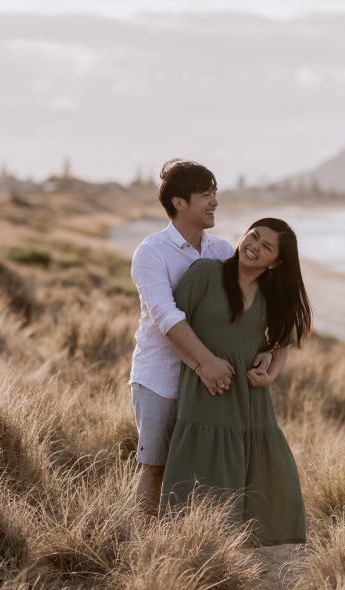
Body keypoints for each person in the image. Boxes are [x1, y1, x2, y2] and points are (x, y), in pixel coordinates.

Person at [129, 159, 271, 521]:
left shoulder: (222, 251)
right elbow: (166, 316)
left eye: (215, 193)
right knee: (156, 468)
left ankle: (192, 540)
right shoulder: (151, 253)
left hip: (212, 385)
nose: (214, 202)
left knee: (202, 471)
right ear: (179, 203)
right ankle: (145, 546)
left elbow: (254, 304)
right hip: (162, 380)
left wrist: (272, 353)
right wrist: (204, 363)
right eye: (206, 195)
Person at [160, 217, 312, 546]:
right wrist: (201, 367)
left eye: (266, 247)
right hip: (206, 391)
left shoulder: (272, 297)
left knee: (270, 473)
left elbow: (286, 339)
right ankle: (189, 540)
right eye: (253, 237)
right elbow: (173, 329)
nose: (254, 247)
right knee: (202, 467)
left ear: (277, 262)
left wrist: (269, 372)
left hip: (250, 397)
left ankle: (247, 544)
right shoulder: (205, 273)